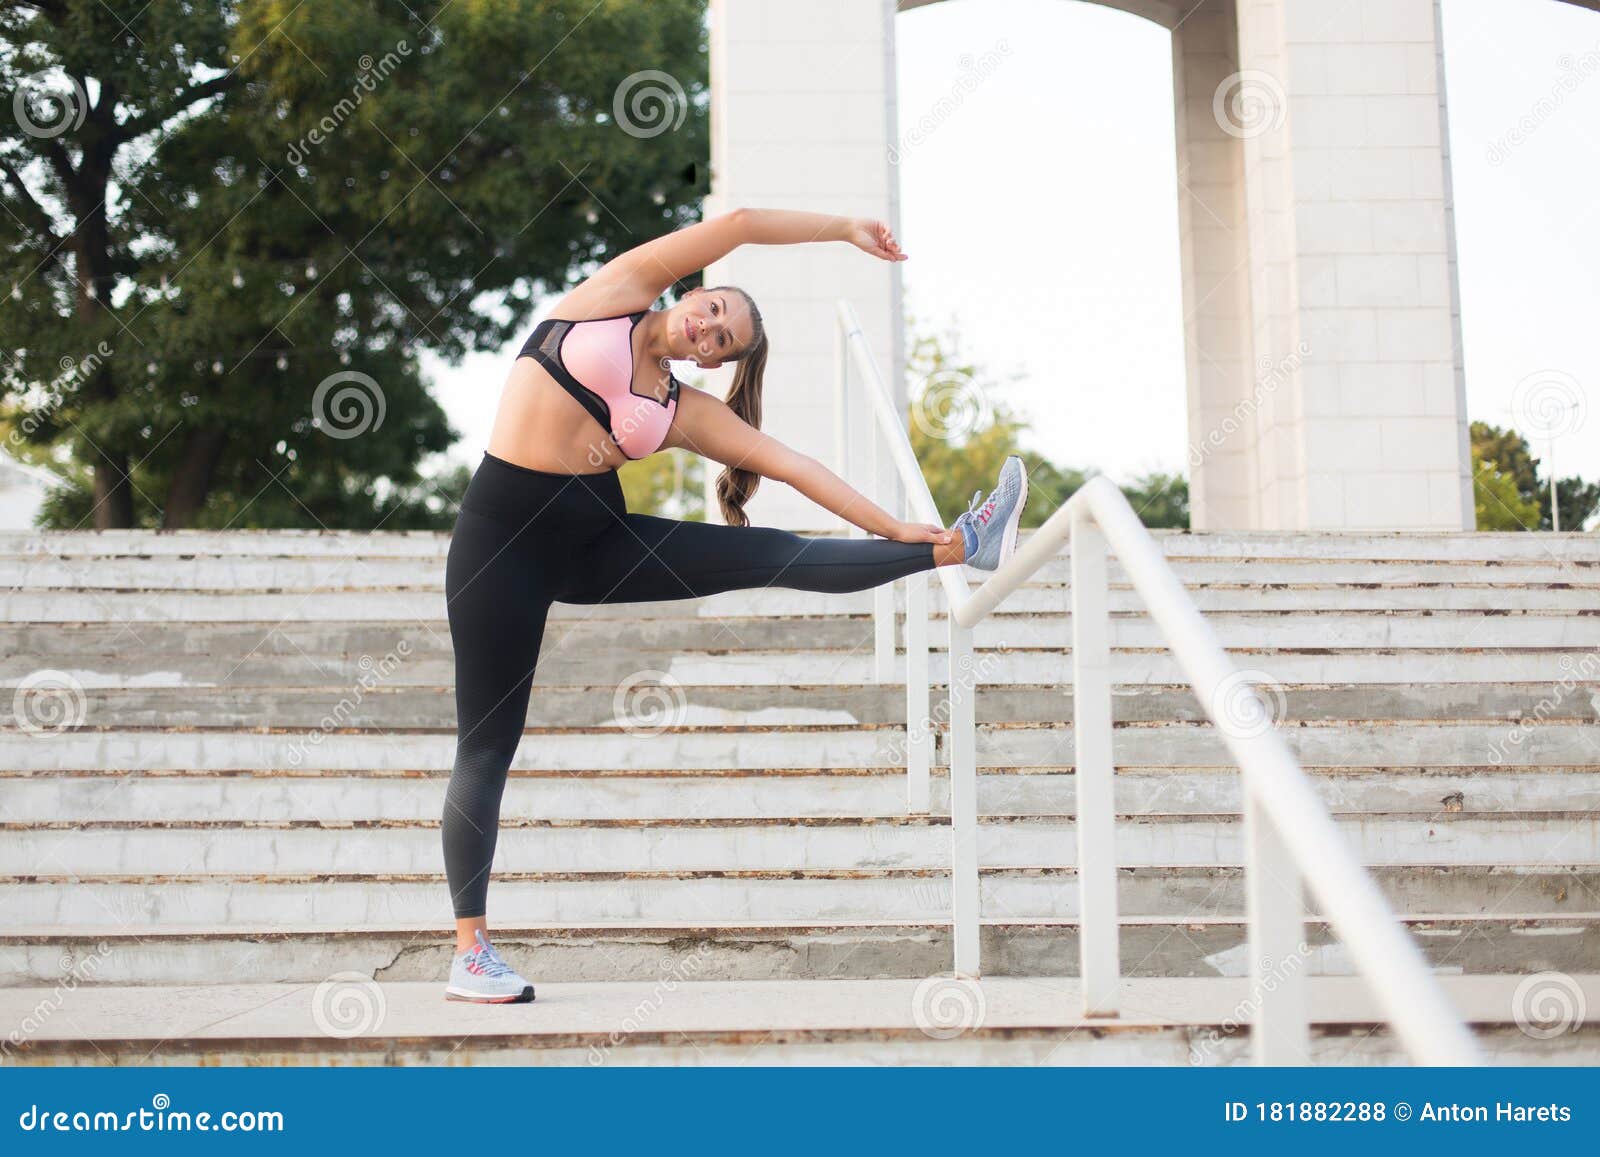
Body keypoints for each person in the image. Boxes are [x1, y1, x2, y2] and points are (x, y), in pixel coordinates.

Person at [442, 207, 1028, 1002]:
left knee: (773, 553)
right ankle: (471, 951)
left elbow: (791, 464)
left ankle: (953, 546)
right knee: (487, 746)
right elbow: (744, 221)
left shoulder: (679, 408)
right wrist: (844, 229)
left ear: (717, 361)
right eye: (713, 311)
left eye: (721, 341)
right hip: (498, 547)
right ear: (699, 291)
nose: (707, 331)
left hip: (599, 543)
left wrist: (893, 525)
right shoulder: (614, 292)